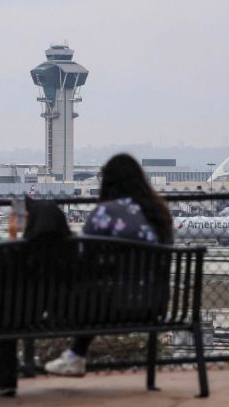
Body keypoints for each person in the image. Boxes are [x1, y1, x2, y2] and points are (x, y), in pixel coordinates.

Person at [44, 153, 174, 377]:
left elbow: (82, 255)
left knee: (77, 283)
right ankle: (75, 355)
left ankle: (73, 355)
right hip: (154, 303)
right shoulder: (159, 213)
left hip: (109, 305)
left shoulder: (107, 212)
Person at [0, 197, 73, 397]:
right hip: (65, 315)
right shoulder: (72, 252)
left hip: (20, 317)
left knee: (6, 317)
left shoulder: (16, 254)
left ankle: (7, 381)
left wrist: (12, 238)